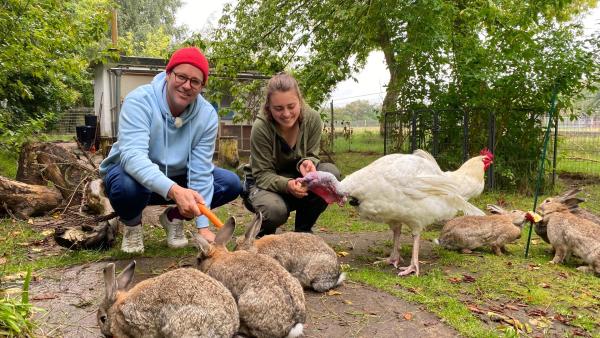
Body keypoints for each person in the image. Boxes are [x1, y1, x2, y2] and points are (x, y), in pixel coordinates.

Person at [99, 47, 242, 253]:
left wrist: (203, 227)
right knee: (126, 186)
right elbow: (132, 157)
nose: (186, 85)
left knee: (229, 183)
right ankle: (132, 223)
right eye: (181, 77)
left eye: (195, 81)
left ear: (202, 86)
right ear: (168, 74)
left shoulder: (207, 115)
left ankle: (174, 218)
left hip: (178, 178)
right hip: (133, 178)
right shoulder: (139, 101)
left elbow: (201, 170)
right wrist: (175, 191)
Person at [242, 72, 340, 237]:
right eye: (278, 108)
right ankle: (263, 232)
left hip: (298, 181)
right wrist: (287, 185)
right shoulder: (261, 127)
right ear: (269, 107)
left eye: (291, 106)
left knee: (329, 174)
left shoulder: (313, 119)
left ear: (300, 102)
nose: (286, 114)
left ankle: (303, 232)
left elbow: (311, 154)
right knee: (274, 210)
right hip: (263, 185)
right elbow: (262, 174)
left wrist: (308, 162)